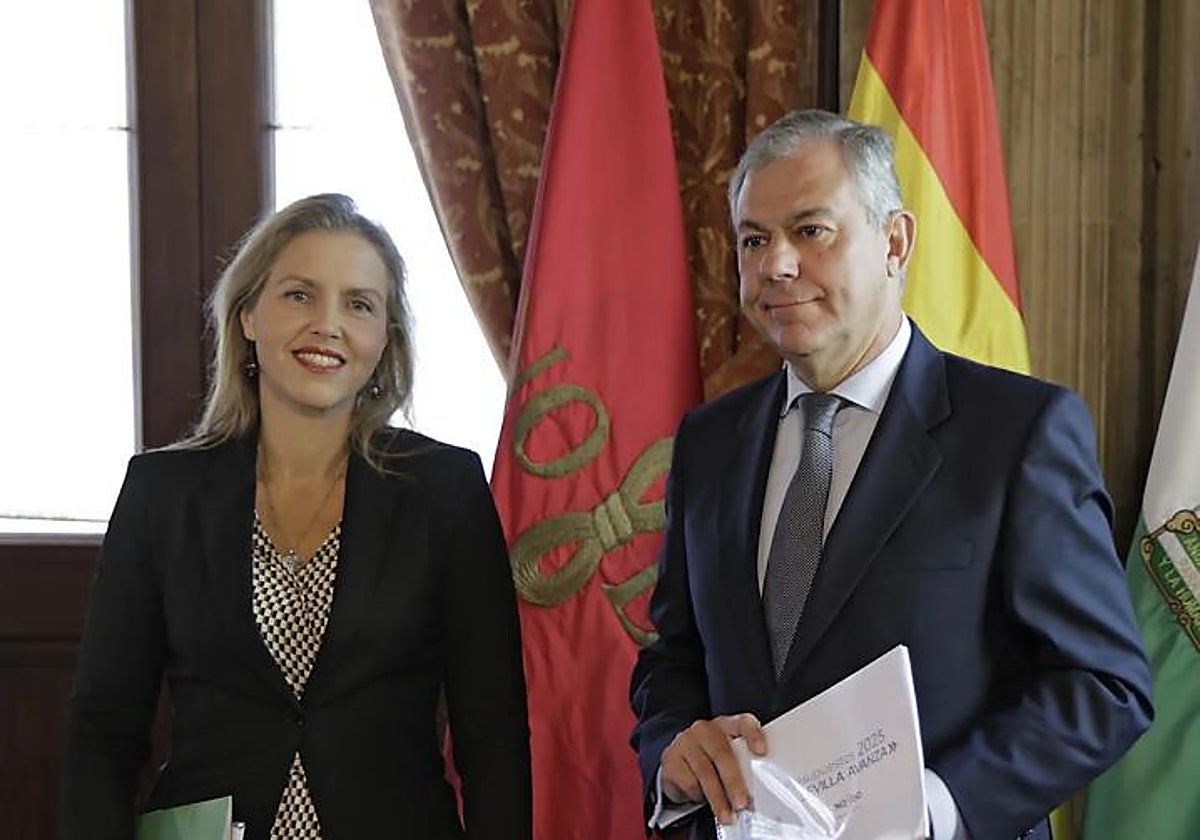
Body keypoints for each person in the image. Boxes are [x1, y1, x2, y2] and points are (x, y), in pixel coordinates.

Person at [629, 110, 1153, 840]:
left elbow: (1105, 685)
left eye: (811, 231)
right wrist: (672, 749)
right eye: (754, 239)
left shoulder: (1018, 433)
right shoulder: (709, 440)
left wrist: (934, 809)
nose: (776, 265)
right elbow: (675, 656)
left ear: (895, 241)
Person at [60, 194, 531, 839]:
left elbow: (492, 732)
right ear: (249, 314)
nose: (328, 324)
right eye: (299, 295)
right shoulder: (160, 492)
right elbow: (104, 728)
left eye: (359, 304)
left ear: (384, 340)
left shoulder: (444, 489)